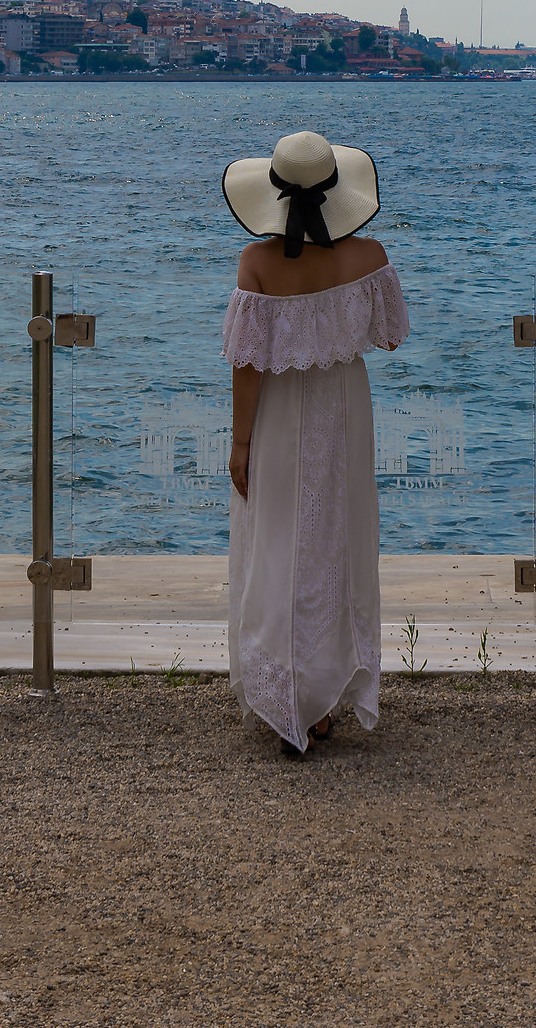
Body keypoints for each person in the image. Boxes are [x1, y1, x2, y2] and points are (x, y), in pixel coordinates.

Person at [220, 128, 410, 755]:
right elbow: (387, 337)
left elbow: (247, 368)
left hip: (277, 413)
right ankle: (327, 691)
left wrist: (240, 444)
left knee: (279, 542)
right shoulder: (372, 258)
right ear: (338, 194)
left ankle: (288, 695)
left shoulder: (256, 264)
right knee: (336, 540)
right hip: (344, 409)